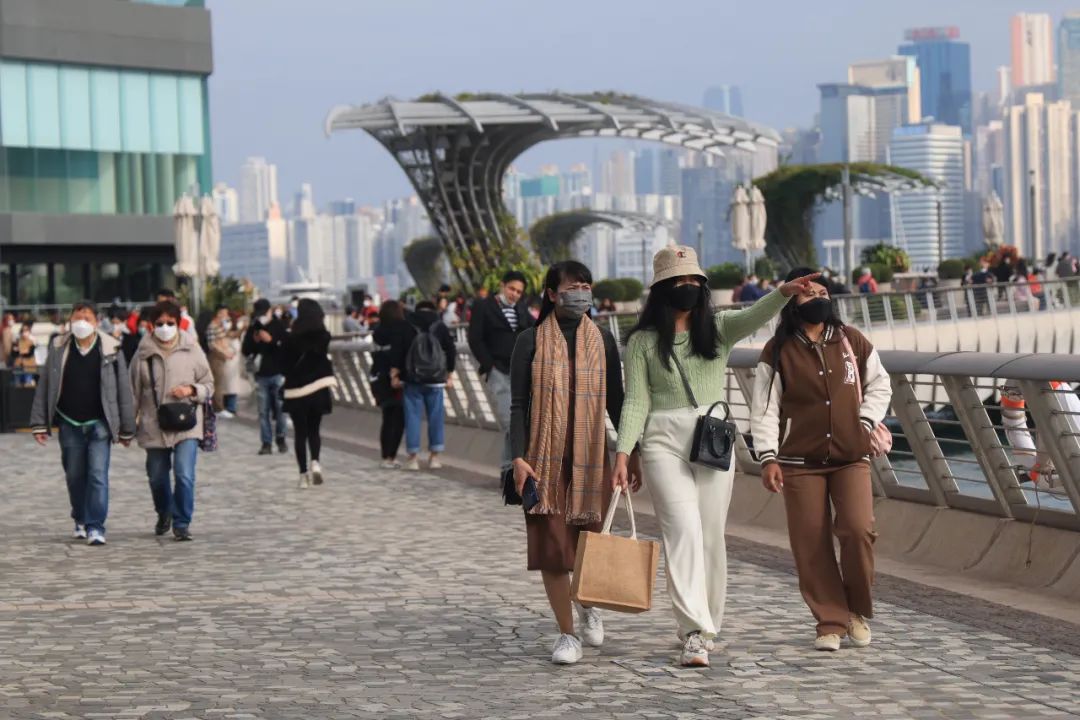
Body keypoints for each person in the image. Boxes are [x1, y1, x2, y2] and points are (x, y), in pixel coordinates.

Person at [611, 245, 818, 668]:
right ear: (662, 288)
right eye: (679, 281)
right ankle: (692, 632)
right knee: (682, 531)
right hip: (662, 441)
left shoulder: (718, 329)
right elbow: (635, 401)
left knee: (709, 536)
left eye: (694, 281)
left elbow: (755, 316)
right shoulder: (643, 342)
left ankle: (708, 626)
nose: (688, 287)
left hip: (711, 438)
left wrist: (783, 292)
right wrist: (623, 451)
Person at [749, 268, 892, 652]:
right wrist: (768, 457)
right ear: (793, 302)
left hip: (850, 456)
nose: (818, 299)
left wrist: (864, 420)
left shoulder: (852, 342)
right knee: (811, 543)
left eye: (823, 292)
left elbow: (881, 383)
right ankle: (830, 620)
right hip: (798, 461)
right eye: (808, 294)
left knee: (858, 530)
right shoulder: (777, 351)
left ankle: (856, 610)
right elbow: (765, 408)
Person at [509, 260, 640, 665]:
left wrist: (628, 453)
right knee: (552, 549)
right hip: (542, 462)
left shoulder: (602, 338)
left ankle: (589, 605)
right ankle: (567, 634)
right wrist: (517, 455)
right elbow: (518, 405)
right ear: (551, 293)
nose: (580, 292)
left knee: (588, 542)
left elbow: (617, 401)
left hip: (590, 457)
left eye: (586, 285)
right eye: (572, 286)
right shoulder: (529, 341)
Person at [29, 301, 136, 546]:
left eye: (87, 318)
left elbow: (123, 390)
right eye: (77, 318)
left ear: (96, 323)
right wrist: (39, 423)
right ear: (70, 321)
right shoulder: (59, 347)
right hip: (69, 421)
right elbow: (46, 385)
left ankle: (96, 526)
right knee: (75, 475)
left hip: (100, 422)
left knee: (98, 475)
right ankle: (80, 517)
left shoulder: (111, 348)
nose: (82, 323)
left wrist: (127, 428)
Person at [131, 300, 214, 541]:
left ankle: (182, 522)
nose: (165, 327)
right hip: (153, 423)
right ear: (150, 325)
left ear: (179, 324)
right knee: (157, 476)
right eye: (160, 323)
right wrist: (127, 426)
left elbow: (209, 385)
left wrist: (191, 390)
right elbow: (132, 392)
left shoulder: (192, 349)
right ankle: (164, 512)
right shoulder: (142, 353)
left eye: (170, 323)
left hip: (186, 423)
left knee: (184, 474)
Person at [467, 270, 534, 475]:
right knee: (509, 420)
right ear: (502, 285)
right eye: (511, 289)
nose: (514, 294)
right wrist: (490, 365)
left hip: (522, 371)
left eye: (519, 291)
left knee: (523, 420)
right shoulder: (483, 306)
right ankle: (508, 468)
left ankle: (512, 467)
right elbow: (475, 338)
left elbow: (535, 330)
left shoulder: (522, 309)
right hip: (499, 370)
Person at [281, 299, 337, 488]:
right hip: (319, 388)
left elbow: (284, 366)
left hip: (297, 391)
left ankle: (303, 475)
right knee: (315, 430)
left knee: (300, 433)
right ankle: (316, 462)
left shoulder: (290, 338)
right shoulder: (324, 336)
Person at [394, 300, 455, 471]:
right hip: (435, 381)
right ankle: (434, 457)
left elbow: (399, 351)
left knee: (412, 418)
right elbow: (451, 350)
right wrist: (449, 374)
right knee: (436, 418)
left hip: (412, 379)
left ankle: (413, 458)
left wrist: (396, 374)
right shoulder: (440, 326)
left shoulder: (407, 325)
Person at [242, 299, 289, 455]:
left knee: (281, 409)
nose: (261, 317)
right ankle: (266, 443)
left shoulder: (278, 326)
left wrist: (272, 340)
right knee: (263, 411)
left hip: (278, 372)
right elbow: (245, 350)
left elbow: (286, 346)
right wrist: (254, 341)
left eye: (264, 314)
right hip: (261, 374)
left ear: (270, 311)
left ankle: (281, 438)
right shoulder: (253, 328)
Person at [371, 300, 410, 468]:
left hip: (379, 378)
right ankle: (391, 456)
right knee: (399, 418)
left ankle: (385, 456)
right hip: (397, 379)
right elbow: (402, 353)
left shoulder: (377, 332)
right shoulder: (403, 329)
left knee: (387, 417)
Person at [205, 305, 236, 416]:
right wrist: (225, 353)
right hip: (215, 358)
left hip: (222, 358)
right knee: (217, 384)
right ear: (219, 313)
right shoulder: (212, 326)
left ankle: (220, 407)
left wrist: (229, 350)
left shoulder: (220, 326)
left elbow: (225, 339)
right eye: (225, 313)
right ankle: (218, 409)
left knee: (221, 383)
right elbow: (212, 345)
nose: (226, 316)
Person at [13, 321, 38, 386]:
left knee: (28, 382)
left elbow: (29, 353)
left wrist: (20, 351)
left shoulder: (32, 341)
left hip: (29, 366)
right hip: (18, 365)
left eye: (26, 330)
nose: (25, 332)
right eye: (23, 330)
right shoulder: (17, 341)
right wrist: (23, 351)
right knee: (17, 383)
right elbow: (14, 352)